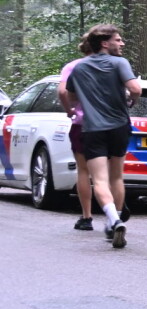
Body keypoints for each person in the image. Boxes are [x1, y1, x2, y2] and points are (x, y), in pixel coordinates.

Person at [58, 23, 141, 250]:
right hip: (119, 127)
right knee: (117, 177)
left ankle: (113, 218)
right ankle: (115, 222)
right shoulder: (120, 63)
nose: (122, 43)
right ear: (105, 43)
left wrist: (77, 107)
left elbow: (69, 95)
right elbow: (135, 89)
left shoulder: (79, 68)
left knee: (100, 180)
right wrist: (131, 101)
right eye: (118, 40)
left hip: (93, 129)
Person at [57, 55, 96, 231]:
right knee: (110, 173)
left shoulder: (73, 66)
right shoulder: (117, 65)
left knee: (83, 171)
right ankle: (116, 209)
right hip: (113, 126)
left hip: (83, 124)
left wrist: (69, 110)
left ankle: (87, 217)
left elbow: (63, 91)